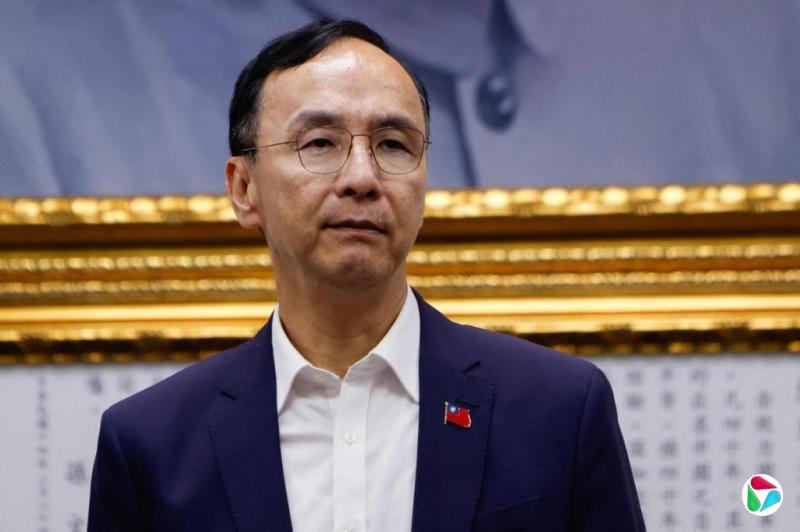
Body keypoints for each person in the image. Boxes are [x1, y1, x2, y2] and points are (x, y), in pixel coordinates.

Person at [88, 19, 645, 532]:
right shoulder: (150, 445)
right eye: (319, 144)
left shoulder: (559, 411)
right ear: (243, 188)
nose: (362, 177)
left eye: (393, 145)